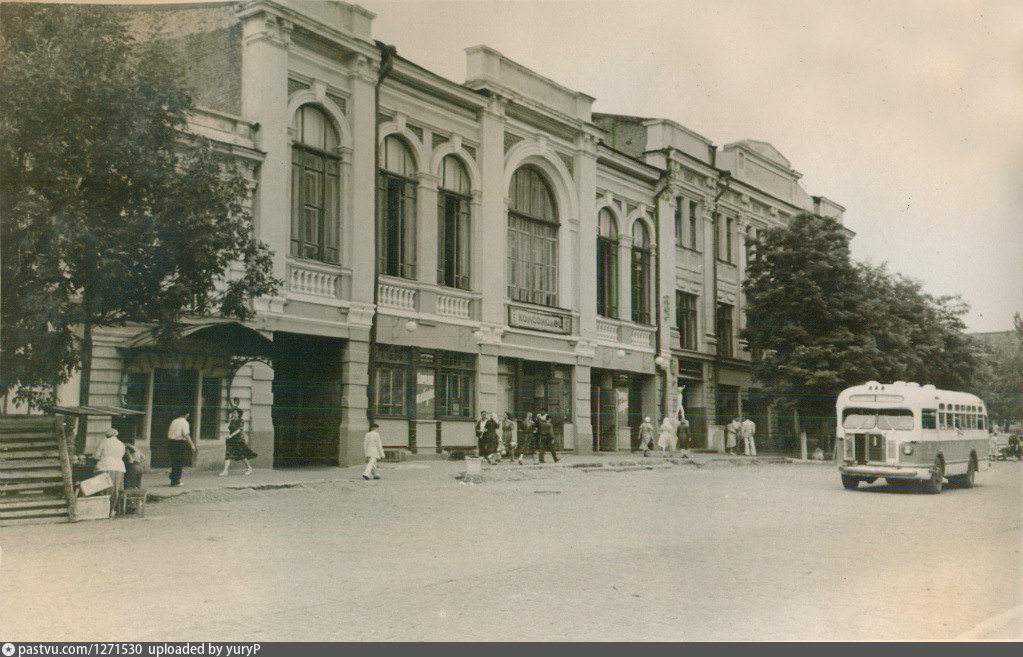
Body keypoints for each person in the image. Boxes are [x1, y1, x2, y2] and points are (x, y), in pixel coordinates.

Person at [93, 428, 126, 516]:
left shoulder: (104, 442)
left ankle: (103, 510)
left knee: (103, 488)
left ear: (107, 435)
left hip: (105, 466)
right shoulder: (121, 444)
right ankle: (112, 510)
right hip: (118, 468)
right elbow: (122, 455)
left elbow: (96, 456)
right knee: (115, 489)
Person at [220, 408, 257, 476]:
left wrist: (231, 435)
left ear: (238, 414)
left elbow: (239, 430)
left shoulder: (241, 421)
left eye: (235, 413)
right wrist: (230, 436)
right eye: (233, 413)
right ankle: (225, 471)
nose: (233, 414)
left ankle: (249, 468)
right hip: (231, 440)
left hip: (238, 440)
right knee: (228, 454)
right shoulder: (232, 420)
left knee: (241, 455)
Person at [166, 412, 195, 487]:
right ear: (187, 414)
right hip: (179, 443)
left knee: (174, 461)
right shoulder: (184, 422)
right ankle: (176, 480)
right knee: (180, 461)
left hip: (171, 442)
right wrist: (192, 444)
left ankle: (173, 478)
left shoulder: (174, 421)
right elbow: (186, 434)